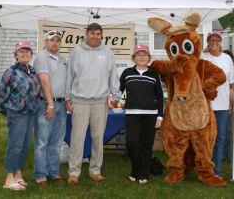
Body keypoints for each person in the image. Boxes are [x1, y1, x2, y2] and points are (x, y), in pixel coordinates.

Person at [65, 23, 121, 184]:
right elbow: (70, 76)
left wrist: (115, 95)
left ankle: (95, 170)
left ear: (101, 35)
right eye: (92, 33)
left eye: (98, 33)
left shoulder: (108, 52)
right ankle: (74, 172)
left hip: (100, 102)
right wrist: (68, 97)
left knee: (98, 138)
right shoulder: (76, 52)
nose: (95, 36)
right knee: (77, 138)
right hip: (79, 101)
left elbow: (113, 76)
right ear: (86, 34)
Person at [0, 40, 41, 190]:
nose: (25, 53)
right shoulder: (11, 72)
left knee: (24, 146)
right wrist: (7, 110)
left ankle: (18, 174)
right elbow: (2, 93)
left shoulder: (33, 71)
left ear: (31, 54)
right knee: (15, 145)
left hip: (30, 113)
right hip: (17, 113)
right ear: (16, 55)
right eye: (21, 51)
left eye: (27, 51)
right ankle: (9, 179)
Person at [119, 44, 164, 184]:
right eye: (139, 55)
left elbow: (160, 96)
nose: (142, 57)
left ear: (149, 58)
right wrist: (111, 98)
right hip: (132, 114)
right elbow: (118, 90)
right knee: (132, 144)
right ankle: (136, 170)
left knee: (146, 145)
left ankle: (143, 174)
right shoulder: (127, 72)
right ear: (134, 58)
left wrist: (160, 115)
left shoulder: (154, 74)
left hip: (151, 114)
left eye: (145, 55)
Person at [33, 30, 68, 185]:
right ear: (46, 42)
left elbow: (66, 81)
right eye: (52, 40)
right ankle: (40, 175)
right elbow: (44, 81)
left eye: (58, 40)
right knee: (42, 142)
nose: (55, 42)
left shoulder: (63, 59)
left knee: (56, 142)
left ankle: (53, 173)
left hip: (61, 105)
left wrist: (67, 99)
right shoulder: (41, 57)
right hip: (47, 104)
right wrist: (50, 104)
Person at [201, 31, 234, 178]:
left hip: (222, 106)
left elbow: (231, 84)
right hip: (205, 105)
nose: (214, 42)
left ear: (221, 42)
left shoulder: (227, 58)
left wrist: (231, 104)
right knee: (205, 138)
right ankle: (205, 168)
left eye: (217, 39)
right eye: (211, 39)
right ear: (208, 41)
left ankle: (217, 171)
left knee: (220, 138)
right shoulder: (203, 57)